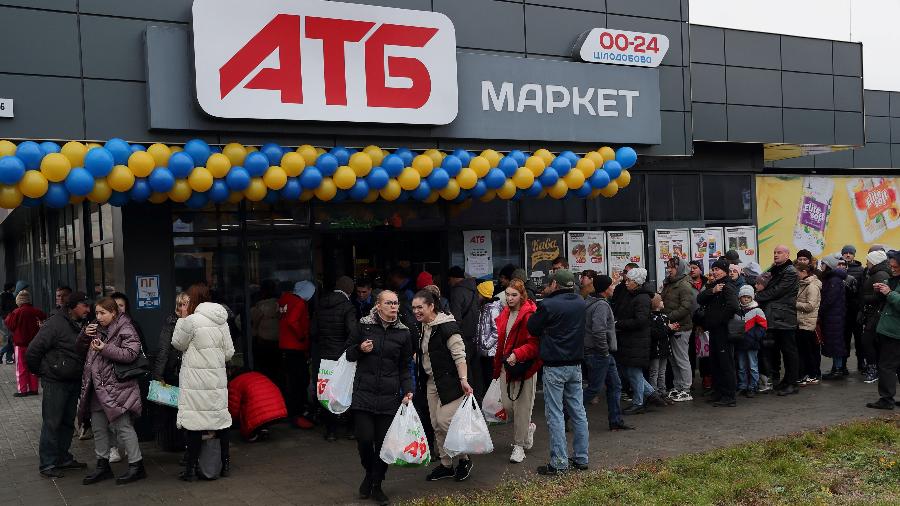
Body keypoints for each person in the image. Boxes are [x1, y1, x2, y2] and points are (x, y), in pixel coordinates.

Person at [346, 290, 413, 505]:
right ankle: (370, 474)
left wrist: (408, 389)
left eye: (396, 303)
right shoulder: (363, 326)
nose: (394, 307)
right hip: (363, 394)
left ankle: (376, 484)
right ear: (378, 305)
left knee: (384, 445)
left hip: (390, 396)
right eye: (389, 303)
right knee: (365, 440)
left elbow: (405, 367)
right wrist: (359, 348)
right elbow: (347, 354)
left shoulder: (404, 332)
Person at [78, 297, 147, 485]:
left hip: (117, 388)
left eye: (102, 313)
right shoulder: (94, 327)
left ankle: (136, 465)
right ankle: (102, 465)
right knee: (99, 428)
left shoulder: (126, 327)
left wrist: (106, 348)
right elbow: (79, 349)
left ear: (113, 313)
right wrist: (85, 335)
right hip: (96, 387)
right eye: (97, 312)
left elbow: (131, 354)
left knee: (123, 427)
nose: (98, 317)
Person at [527, 269, 589, 475]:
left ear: (554, 284)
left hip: (554, 365)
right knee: (578, 411)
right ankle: (581, 457)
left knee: (555, 413)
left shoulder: (548, 305)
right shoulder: (581, 302)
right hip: (575, 364)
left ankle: (559, 462)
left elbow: (532, 327)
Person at [172, 283, 235, 481]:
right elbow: (229, 353)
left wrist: (182, 320)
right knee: (220, 421)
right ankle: (224, 465)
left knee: (195, 425)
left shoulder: (190, 321)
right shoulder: (221, 321)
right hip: (216, 380)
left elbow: (177, 343)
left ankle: (190, 470)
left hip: (196, 382)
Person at [26, 291, 92, 478]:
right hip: (55, 382)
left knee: (66, 422)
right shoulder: (54, 324)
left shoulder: (80, 323)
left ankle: (63, 458)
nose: (88, 309)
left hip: (72, 380)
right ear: (73, 307)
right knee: (52, 422)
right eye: (84, 306)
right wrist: (43, 372)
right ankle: (47, 463)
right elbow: (32, 351)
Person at [414, 289, 474, 483]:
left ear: (431, 306)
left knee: (445, 421)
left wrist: (463, 379)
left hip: (451, 382)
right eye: (414, 307)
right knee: (435, 424)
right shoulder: (424, 326)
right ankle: (446, 465)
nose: (416, 311)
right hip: (432, 382)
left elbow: (460, 356)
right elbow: (427, 353)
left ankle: (464, 460)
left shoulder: (448, 326)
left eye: (420, 307)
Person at [493, 279, 541, 463]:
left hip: (524, 367)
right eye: (507, 294)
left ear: (522, 295)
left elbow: (535, 344)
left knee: (521, 408)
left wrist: (517, 354)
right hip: (507, 365)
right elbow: (500, 343)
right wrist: (497, 368)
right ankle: (527, 428)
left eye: (514, 295)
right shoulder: (505, 312)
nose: (510, 298)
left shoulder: (529, 314)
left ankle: (518, 445)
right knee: (507, 406)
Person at [581, 274, 630, 431]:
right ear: (604, 289)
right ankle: (565, 414)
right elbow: (598, 331)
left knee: (615, 385)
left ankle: (615, 420)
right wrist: (603, 351)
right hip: (599, 353)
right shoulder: (601, 305)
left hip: (600, 353)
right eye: (611, 285)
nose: (613, 287)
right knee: (594, 389)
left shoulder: (590, 302)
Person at [312, 276, 358, 441]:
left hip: (325, 356)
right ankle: (351, 430)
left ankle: (331, 431)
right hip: (343, 357)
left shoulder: (321, 305)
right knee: (347, 391)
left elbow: (314, 332)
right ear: (350, 290)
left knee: (327, 392)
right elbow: (352, 332)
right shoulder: (348, 307)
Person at [614, 268, 664, 414]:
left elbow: (640, 320)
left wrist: (619, 324)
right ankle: (651, 394)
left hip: (636, 340)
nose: (626, 282)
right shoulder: (632, 294)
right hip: (630, 339)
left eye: (629, 280)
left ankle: (639, 402)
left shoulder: (641, 298)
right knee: (629, 371)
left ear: (636, 282)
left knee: (633, 371)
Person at [755, 245, 800, 396]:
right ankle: (786, 380)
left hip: (785, 316)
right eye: (774, 252)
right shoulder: (776, 270)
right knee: (780, 350)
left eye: (779, 253)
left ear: (787, 255)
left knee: (789, 351)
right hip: (776, 316)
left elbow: (777, 291)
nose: (775, 255)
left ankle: (793, 383)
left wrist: (757, 297)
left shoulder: (790, 272)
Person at [697, 259, 740, 407]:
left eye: (717, 269)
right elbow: (700, 298)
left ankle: (729, 395)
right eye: (713, 269)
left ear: (725, 271)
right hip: (714, 330)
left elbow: (734, 306)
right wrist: (712, 291)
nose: (714, 272)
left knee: (725, 363)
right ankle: (719, 391)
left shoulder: (728, 286)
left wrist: (719, 320)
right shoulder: (714, 286)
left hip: (723, 330)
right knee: (715, 362)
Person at [152, 292, 189, 452]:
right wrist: (158, 375)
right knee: (173, 409)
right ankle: (176, 442)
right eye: (180, 304)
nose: (183, 308)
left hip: (190, 371)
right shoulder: (171, 322)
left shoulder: (195, 322)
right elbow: (163, 349)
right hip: (174, 371)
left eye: (186, 304)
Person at [278, 280, 314, 429]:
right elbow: (293, 321)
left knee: (292, 382)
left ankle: (294, 413)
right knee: (300, 381)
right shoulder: (299, 303)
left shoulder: (285, 300)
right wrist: (301, 336)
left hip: (285, 345)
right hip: (296, 346)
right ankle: (297, 414)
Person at [865, 252, 900, 410]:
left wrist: (889, 293)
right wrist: (882, 287)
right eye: (890, 266)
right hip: (891, 329)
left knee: (886, 366)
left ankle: (886, 399)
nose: (892, 269)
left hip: (895, 331)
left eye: (895, 267)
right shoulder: (893, 278)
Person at [661, 257, 695, 402]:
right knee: (673, 359)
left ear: (679, 268)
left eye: (672, 267)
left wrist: (668, 318)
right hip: (671, 327)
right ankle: (678, 386)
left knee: (681, 359)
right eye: (668, 267)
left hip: (681, 327)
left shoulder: (684, 285)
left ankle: (686, 389)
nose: (669, 270)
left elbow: (686, 307)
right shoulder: (669, 283)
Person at [5, 290, 46, 396]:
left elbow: (10, 325)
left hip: (20, 344)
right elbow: (45, 317)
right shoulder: (36, 311)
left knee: (21, 368)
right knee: (33, 367)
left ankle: (22, 390)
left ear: (18, 300)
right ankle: (34, 389)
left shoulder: (16, 312)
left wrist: (10, 314)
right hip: (34, 345)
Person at [227, 369, 287, 441]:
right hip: (279, 409)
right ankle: (263, 429)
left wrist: (231, 420)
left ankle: (253, 434)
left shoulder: (235, 383)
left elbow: (234, 408)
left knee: (247, 407)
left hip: (262, 413)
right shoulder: (258, 375)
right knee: (256, 405)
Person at [859, 250, 891, 384]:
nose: (867, 262)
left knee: (868, 341)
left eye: (868, 260)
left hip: (876, 313)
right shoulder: (875, 273)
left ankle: (874, 369)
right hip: (873, 313)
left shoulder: (880, 274)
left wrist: (864, 298)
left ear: (874, 261)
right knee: (873, 342)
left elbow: (881, 295)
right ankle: (876, 368)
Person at [447, 266, 479, 392]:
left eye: (449, 279)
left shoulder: (457, 292)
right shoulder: (473, 289)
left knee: (465, 369)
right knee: (475, 370)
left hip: (462, 335)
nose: (449, 282)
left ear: (454, 278)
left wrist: (453, 333)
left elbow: (456, 318)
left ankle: (469, 398)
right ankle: (477, 397)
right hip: (474, 335)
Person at [817, 255, 849, 381]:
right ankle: (836, 368)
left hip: (834, 316)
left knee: (836, 343)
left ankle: (838, 369)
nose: (821, 266)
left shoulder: (834, 280)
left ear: (828, 265)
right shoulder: (832, 278)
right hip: (834, 315)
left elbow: (830, 299)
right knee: (835, 342)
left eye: (823, 264)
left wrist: (820, 310)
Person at [735, 285, 767, 397]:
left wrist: (754, 336)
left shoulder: (757, 310)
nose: (746, 299)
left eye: (748, 297)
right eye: (744, 297)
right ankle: (742, 385)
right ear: (740, 298)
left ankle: (753, 386)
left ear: (752, 298)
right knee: (741, 366)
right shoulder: (737, 310)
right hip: (740, 343)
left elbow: (763, 325)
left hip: (752, 343)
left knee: (753, 365)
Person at [794, 264, 823, 384]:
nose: (795, 274)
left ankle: (812, 374)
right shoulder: (803, 284)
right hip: (802, 322)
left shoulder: (812, 286)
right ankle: (806, 374)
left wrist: (794, 304)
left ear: (804, 272)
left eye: (797, 272)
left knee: (807, 351)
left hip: (807, 323)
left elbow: (810, 306)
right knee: (805, 351)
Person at [250, 279, 281, 382]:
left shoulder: (258, 307)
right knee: (277, 370)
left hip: (263, 342)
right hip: (278, 343)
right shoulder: (280, 305)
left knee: (264, 371)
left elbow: (242, 322)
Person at [475, 280, 501, 399]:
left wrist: (486, 344)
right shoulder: (484, 308)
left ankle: (491, 402)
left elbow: (497, 330)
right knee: (485, 377)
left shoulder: (493, 309)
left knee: (489, 378)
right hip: (485, 351)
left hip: (490, 352)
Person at [841, 245, 865, 372]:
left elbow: (862, 292)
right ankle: (843, 365)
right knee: (844, 338)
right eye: (846, 253)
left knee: (859, 339)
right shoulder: (839, 268)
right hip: (843, 310)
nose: (848, 255)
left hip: (856, 310)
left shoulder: (861, 270)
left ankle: (861, 363)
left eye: (850, 253)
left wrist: (861, 309)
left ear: (854, 255)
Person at [648, 294, 676, 396]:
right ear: (656, 303)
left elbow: (665, 332)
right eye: (661, 301)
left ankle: (662, 391)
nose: (663, 302)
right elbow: (657, 333)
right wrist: (668, 328)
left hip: (664, 349)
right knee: (654, 371)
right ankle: (653, 392)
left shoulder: (664, 317)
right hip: (656, 350)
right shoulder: (652, 318)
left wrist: (672, 329)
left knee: (662, 371)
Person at [0, 282, 16, 364]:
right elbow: (11, 307)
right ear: (10, 288)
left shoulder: (5, 295)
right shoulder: (7, 296)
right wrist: (7, 316)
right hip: (8, 319)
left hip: (7, 318)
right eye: (13, 287)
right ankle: (2, 353)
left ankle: (8, 358)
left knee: (11, 339)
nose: (14, 288)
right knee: (11, 339)